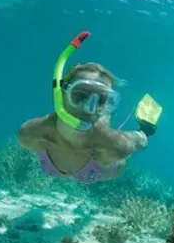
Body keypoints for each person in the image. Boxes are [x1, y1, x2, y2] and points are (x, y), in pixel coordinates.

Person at [18, 32, 161, 185]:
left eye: (101, 100)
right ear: (61, 93)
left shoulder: (113, 147)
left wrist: (143, 134)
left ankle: (142, 128)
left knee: (124, 137)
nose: (89, 109)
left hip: (102, 164)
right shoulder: (30, 133)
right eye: (80, 95)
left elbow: (137, 143)